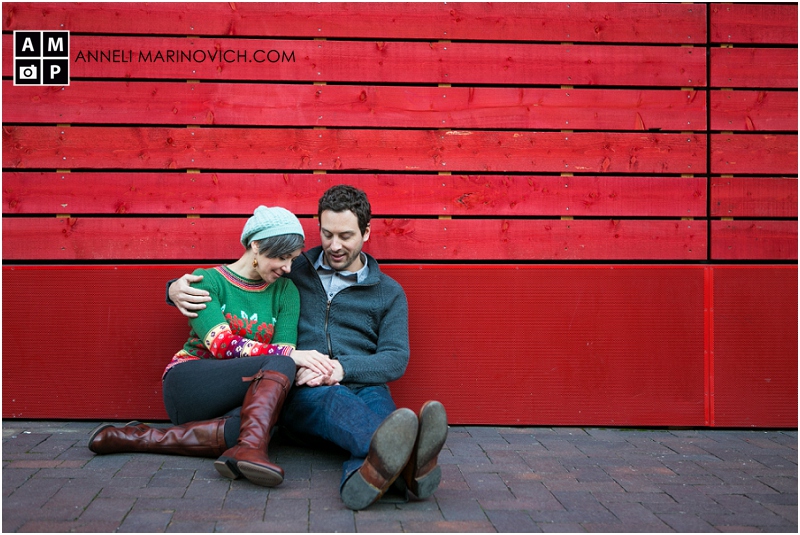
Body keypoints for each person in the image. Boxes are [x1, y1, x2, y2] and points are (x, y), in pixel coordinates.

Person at [169, 185, 448, 510]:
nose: (334, 245)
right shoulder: (291, 271)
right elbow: (238, 280)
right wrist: (173, 288)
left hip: (364, 383)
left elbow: (396, 359)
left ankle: (365, 477)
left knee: (387, 421)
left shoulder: (388, 292)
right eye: (327, 234)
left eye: (345, 235)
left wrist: (342, 369)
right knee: (351, 410)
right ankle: (413, 464)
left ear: (367, 232)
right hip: (305, 387)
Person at [88, 206, 335, 488]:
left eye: (292, 259)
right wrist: (291, 355)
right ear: (255, 246)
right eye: (280, 257)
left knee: (256, 426)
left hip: (235, 401)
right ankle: (251, 449)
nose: (288, 268)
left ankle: (141, 437)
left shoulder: (286, 291)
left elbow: (280, 359)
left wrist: (292, 358)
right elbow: (222, 345)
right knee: (283, 363)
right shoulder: (207, 281)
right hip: (191, 385)